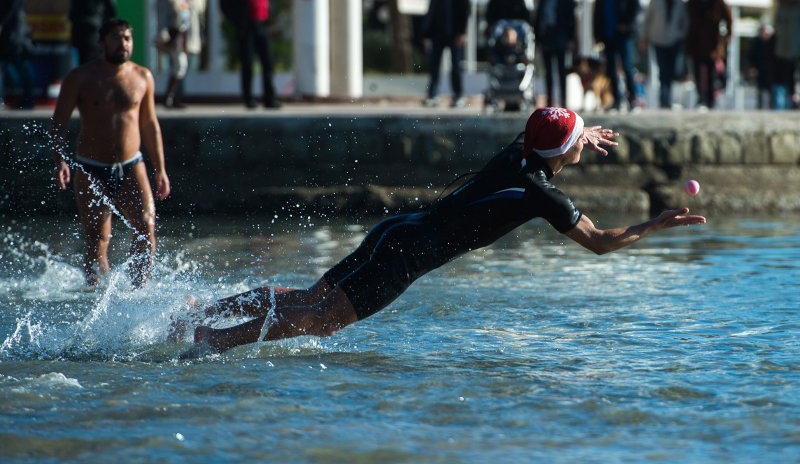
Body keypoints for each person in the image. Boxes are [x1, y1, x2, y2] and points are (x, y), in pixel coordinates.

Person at [180, 107, 706, 354]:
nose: (580, 143)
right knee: (320, 320)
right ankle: (212, 340)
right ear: (565, 152)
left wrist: (578, 133)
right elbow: (598, 243)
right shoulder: (544, 195)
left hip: (396, 230)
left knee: (306, 296)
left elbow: (548, 138)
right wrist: (654, 224)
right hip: (406, 258)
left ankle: (207, 310)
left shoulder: (516, 156)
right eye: (577, 138)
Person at [50, 19, 171, 289]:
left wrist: (160, 169)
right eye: (116, 37)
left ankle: (138, 293)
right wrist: (59, 161)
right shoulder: (80, 78)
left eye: (127, 38)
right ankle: (96, 295)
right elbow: (59, 123)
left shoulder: (143, 76)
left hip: (132, 164)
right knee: (97, 238)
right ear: (102, 43)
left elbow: (150, 125)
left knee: (146, 228)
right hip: (91, 167)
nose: (123, 43)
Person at [220, 0, 279, 109]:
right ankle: (249, 98)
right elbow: (225, 5)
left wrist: (269, 22)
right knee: (247, 64)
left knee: (268, 63)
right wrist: (237, 21)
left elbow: (270, 3)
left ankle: (270, 98)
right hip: (245, 28)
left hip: (261, 27)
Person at [592, 0, 641, 111]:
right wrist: (597, 34)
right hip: (608, 34)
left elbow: (636, 7)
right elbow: (598, 11)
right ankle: (617, 100)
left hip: (623, 34)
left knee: (627, 66)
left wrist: (627, 24)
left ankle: (633, 99)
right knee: (611, 69)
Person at [421, 0, 471, 108]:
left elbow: (465, 10)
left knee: (456, 67)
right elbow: (431, 9)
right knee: (434, 66)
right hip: (438, 33)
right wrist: (426, 32)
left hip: (455, 33)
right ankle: (432, 95)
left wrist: (462, 32)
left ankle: (458, 95)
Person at [685, 0, 732, 109]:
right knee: (697, 73)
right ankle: (701, 98)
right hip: (696, 43)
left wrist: (728, 34)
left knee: (712, 73)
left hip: (713, 44)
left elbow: (728, 17)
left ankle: (711, 100)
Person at [533, 0, 576, 107]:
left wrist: (571, 38)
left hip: (561, 38)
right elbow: (538, 19)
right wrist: (538, 39)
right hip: (547, 38)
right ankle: (550, 102)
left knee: (561, 71)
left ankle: (563, 102)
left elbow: (571, 19)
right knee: (548, 73)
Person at [157, 0, 199, 109]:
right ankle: (169, 96)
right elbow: (162, 17)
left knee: (180, 67)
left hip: (187, 36)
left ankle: (175, 98)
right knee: (180, 65)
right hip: (175, 35)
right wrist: (163, 35)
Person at [643, 0, 688, 109]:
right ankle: (664, 98)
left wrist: (681, 34)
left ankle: (667, 97)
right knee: (662, 69)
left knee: (672, 70)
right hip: (658, 40)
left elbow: (684, 20)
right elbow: (647, 19)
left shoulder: (680, 1)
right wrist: (644, 36)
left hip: (674, 41)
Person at [0, 0, 33, 108]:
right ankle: (19, 97)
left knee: (19, 63)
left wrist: (2, 22)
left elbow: (12, 6)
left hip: (14, 31)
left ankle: (28, 99)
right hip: (12, 30)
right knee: (11, 64)